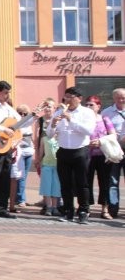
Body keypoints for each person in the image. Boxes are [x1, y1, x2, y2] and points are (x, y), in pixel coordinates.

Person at [0, 81, 36, 220]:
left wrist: (34, 116)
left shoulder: (9, 109)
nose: (7, 95)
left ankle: (2, 208)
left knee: (5, 177)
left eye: (8, 93)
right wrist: (3, 129)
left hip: (7, 146)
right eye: (5, 93)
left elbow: (20, 123)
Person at [47, 87, 96, 224]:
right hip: (63, 151)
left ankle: (83, 211)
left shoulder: (87, 112)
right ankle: (68, 210)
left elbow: (88, 130)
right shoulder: (59, 112)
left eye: (70, 97)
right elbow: (50, 134)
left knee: (82, 183)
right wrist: (53, 124)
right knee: (65, 183)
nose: (67, 100)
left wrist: (71, 119)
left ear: (79, 98)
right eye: (66, 97)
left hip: (80, 151)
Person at [84, 95, 116, 219]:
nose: (88, 107)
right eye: (86, 105)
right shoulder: (83, 119)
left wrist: (100, 141)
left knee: (105, 182)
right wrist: (87, 143)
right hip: (87, 155)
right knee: (86, 182)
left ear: (98, 106)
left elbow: (113, 135)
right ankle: (86, 208)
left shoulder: (104, 119)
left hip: (103, 154)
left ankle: (105, 209)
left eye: (91, 105)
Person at [101, 88, 125, 218]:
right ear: (114, 98)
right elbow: (102, 131)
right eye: (118, 97)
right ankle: (113, 208)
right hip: (114, 149)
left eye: (123, 97)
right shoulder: (106, 112)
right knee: (113, 180)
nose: (121, 100)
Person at [13, 103, 36, 210]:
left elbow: (34, 118)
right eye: (20, 113)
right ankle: (21, 199)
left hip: (29, 151)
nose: (22, 115)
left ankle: (18, 197)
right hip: (19, 152)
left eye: (24, 113)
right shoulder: (17, 123)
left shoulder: (29, 123)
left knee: (24, 176)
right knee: (20, 176)